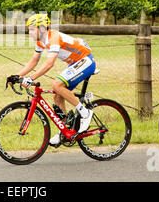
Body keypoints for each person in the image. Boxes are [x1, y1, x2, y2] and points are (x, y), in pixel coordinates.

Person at [12, 13, 97, 146]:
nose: (30, 33)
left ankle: (85, 113)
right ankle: (64, 131)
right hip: (74, 63)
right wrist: (18, 76)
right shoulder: (40, 41)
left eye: (32, 29)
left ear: (42, 28)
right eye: (29, 30)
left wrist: (31, 78)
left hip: (85, 61)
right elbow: (34, 61)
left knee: (56, 84)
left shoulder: (54, 37)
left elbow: (49, 63)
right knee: (57, 96)